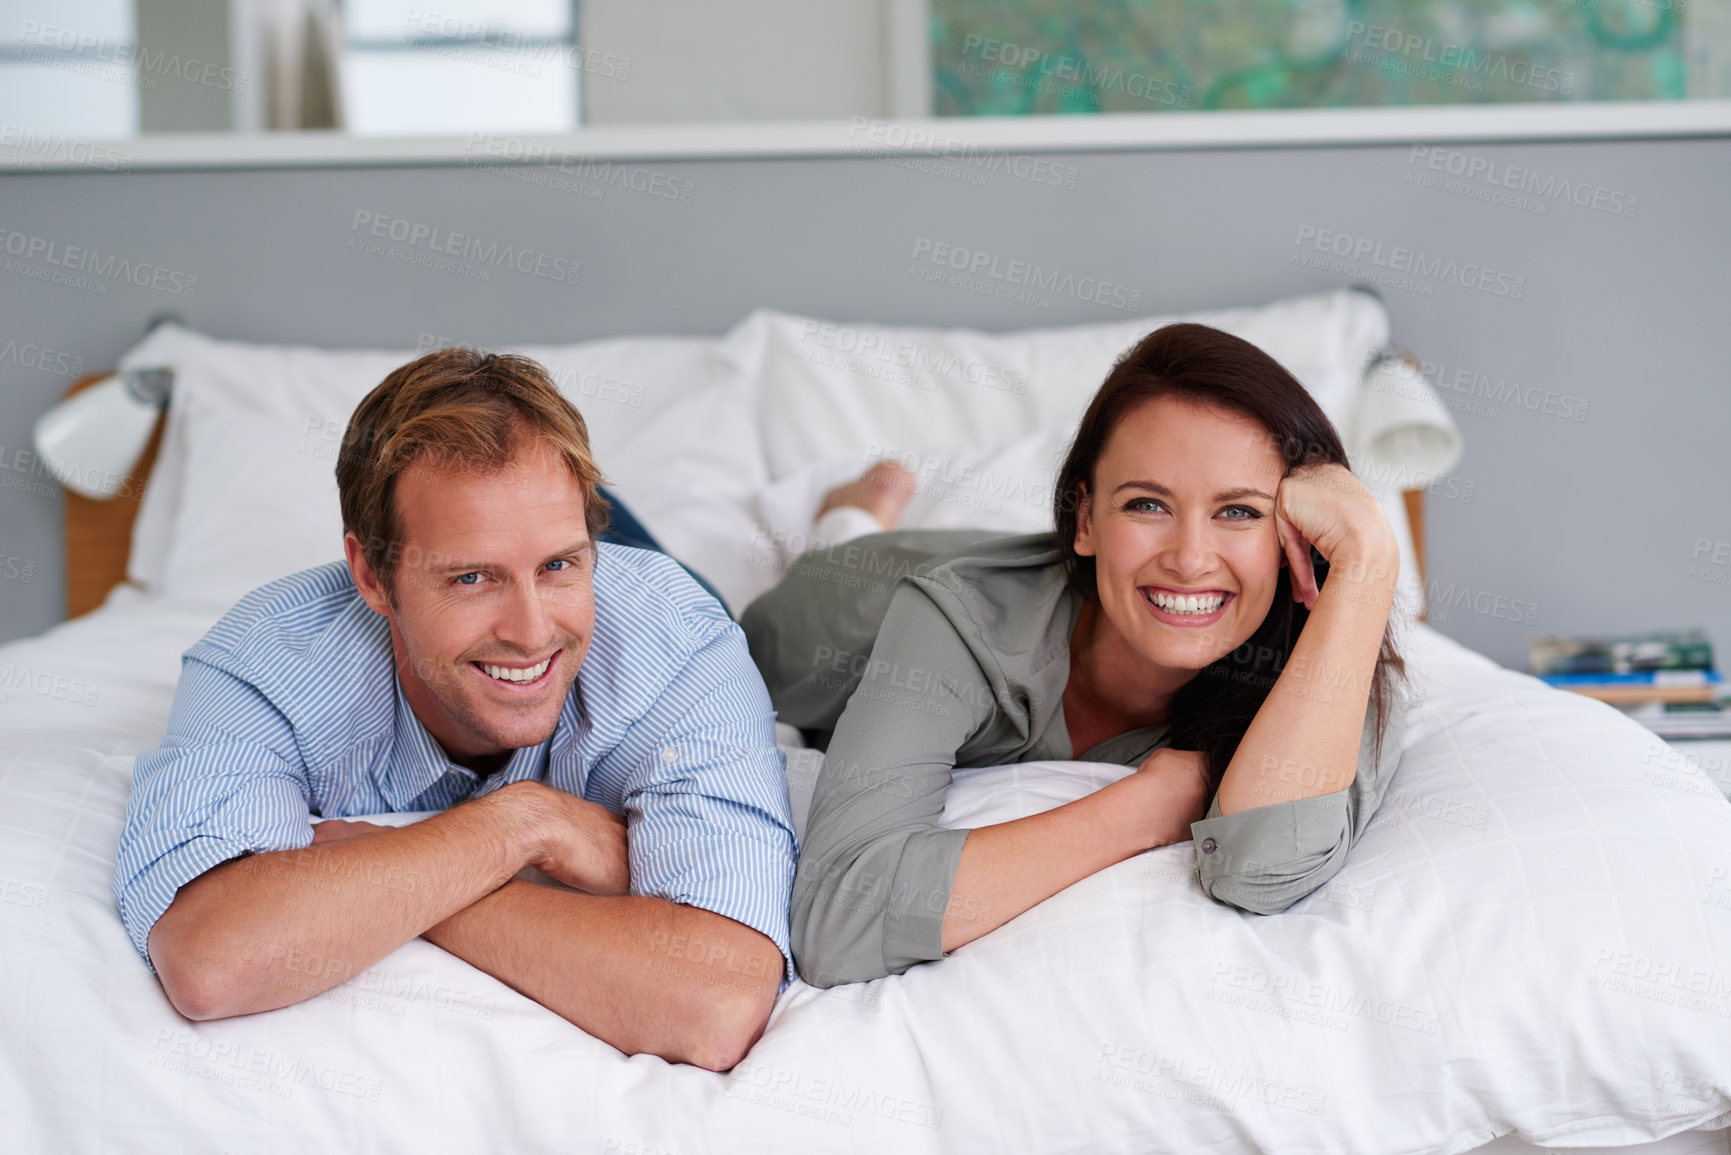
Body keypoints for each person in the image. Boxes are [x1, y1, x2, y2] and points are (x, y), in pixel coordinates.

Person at [113, 348, 796, 1071]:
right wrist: (522, 827)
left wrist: (393, 870)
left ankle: (846, 512)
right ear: (372, 575)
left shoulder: (682, 644)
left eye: (560, 564)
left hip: (657, 585)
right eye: (471, 576)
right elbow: (211, 959)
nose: (530, 630)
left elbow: (713, 1007)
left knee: (787, 633)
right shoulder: (265, 661)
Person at [743, 322, 1408, 988]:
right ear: (1085, 519)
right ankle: (855, 519)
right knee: (833, 570)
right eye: (1147, 503)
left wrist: (1370, 559)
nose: (1188, 558)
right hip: (843, 606)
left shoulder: (1336, 661)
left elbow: (1262, 871)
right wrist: (1149, 805)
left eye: (1237, 511)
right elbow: (837, 924)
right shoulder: (955, 615)